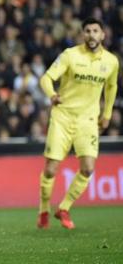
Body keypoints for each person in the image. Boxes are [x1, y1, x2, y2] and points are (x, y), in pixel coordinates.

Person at [37, 17, 119, 229]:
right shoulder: (70, 55)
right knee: (51, 170)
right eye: (87, 31)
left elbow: (111, 88)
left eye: (95, 31)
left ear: (102, 34)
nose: (91, 35)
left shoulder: (111, 62)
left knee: (88, 168)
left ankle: (64, 208)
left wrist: (107, 114)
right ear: (83, 34)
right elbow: (46, 78)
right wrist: (52, 94)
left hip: (88, 120)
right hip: (62, 117)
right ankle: (44, 209)